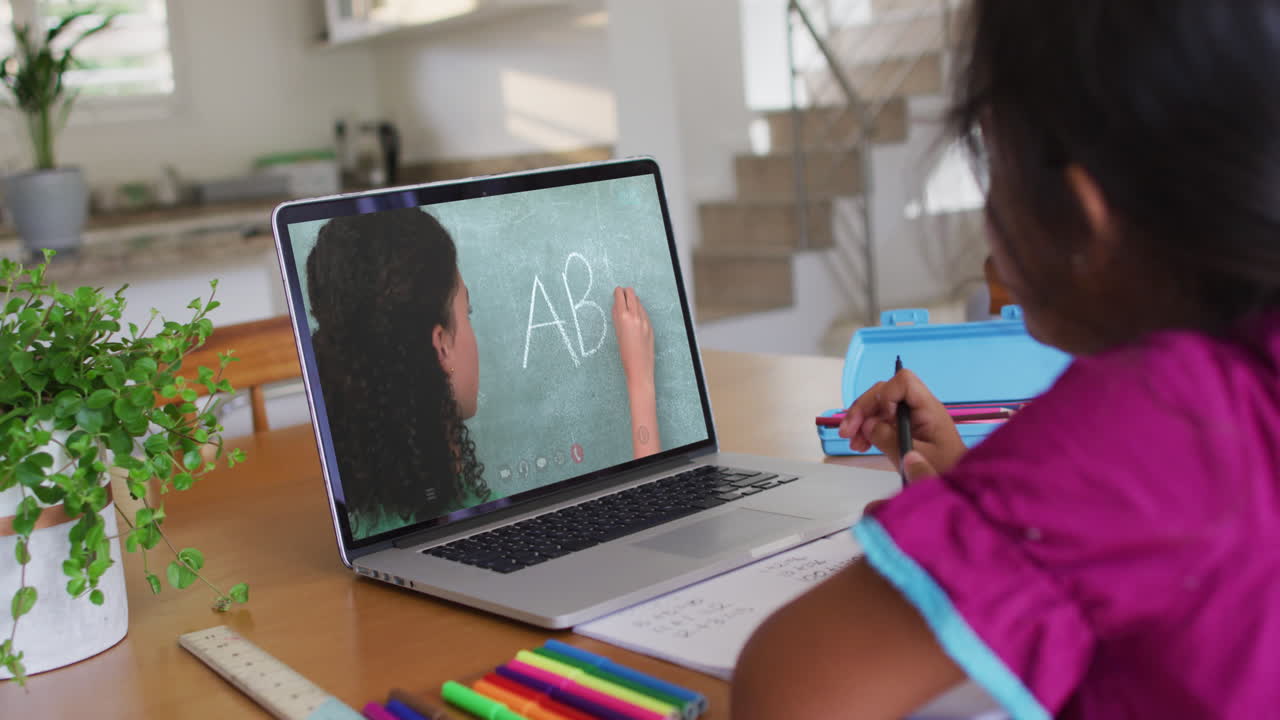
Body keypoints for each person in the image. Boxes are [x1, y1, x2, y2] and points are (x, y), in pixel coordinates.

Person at [733, 1, 1280, 717]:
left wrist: (992, 515)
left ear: (1085, 217)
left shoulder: (1152, 419)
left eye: (991, 160)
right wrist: (976, 496)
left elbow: (788, 693)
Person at [307, 208, 661, 539]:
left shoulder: (366, 517)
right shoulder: (470, 522)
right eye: (468, 311)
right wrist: (641, 382)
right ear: (442, 344)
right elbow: (649, 540)